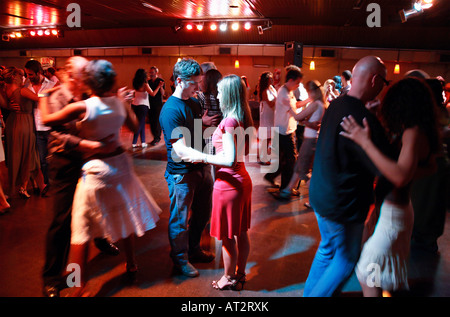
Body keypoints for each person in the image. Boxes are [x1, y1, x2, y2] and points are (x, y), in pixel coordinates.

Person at [40, 59, 161, 296]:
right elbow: (134, 125)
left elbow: (50, 120)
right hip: (100, 164)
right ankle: (130, 263)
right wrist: (119, 105)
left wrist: (44, 98)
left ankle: (80, 285)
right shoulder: (111, 102)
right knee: (112, 214)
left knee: (81, 227)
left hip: (95, 169)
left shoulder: (85, 103)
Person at [340, 77, 440, 296]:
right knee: (376, 272)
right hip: (394, 211)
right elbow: (430, 166)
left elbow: (399, 176)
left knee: (368, 272)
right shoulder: (419, 130)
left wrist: (363, 141)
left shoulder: (413, 132)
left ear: (402, 103)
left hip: (395, 216)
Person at [303, 56, 393, 297]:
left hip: (322, 195)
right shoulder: (364, 120)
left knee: (328, 249)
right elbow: (388, 165)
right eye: (383, 82)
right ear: (375, 80)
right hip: (343, 204)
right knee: (346, 259)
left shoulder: (338, 104)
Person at [39, 56, 123, 297]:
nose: (88, 75)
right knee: (62, 220)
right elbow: (57, 135)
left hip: (87, 160)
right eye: (84, 72)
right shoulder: (56, 97)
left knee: (96, 204)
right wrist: (89, 143)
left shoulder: (87, 97)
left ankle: (100, 239)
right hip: (64, 163)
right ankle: (52, 277)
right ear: (71, 76)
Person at [179, 74, 253, 290]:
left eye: (220, 92)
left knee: (228, 237)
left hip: (229, 185)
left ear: (229, 95)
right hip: (242, 181)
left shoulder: (229, 121)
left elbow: (229, 160)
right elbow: (241, 153)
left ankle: (228, 278)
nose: (217, 96)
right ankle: (239, 274)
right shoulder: (241, 117)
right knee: (241, 232)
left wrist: (199, 155)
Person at [159, 58, 215, 278]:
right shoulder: (170, 110)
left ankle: (193, 250)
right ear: (179, 81)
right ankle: (180, 260)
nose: (197, 87)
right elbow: (180, 150)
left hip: (201, 169)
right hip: (181, 174)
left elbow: (197, 131)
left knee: (202, 213)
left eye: (199, 82)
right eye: (194, 83)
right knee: (179, 219)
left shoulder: (193, 103)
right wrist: (212, 158)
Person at [278, 80, 325, 199]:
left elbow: (299, 116)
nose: (308, 94)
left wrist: (289, 108)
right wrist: (306, 122)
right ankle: (288, 190)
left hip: (310, 140)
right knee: (300, 167)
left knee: (303, 171)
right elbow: (311, 122)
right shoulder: (321, 104)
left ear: (313, 91)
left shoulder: (315, 104)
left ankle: (319, 195)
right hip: (314, 139)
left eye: (309, 92)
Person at [0, 67, 41, 199]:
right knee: (27, 154)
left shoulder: (4, 90)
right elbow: (39, 99)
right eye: (20, 75)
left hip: (12, 123)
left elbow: (5, 105)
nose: (23, 78)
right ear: (14, 77)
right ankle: (23, 187)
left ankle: (14, 186)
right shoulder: (23, 90)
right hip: (24, 123)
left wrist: (10, 107)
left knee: (15, 155)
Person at [263, 65, 303, 190]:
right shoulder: (284, 93)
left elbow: (295, 105)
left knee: (283, 160)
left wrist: (309, 100)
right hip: (284, 132)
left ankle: (272, 177)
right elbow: (296, 115)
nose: (298, 85)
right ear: (291, 80)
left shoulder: (287, 91)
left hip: (285, 130)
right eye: (297, 83)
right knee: (290, 160)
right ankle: (285, 188)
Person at [24, 59, 56, 195]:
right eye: (27, 74)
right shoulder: (26, 85)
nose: (28, 77)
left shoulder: (52, 84)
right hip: (35, 128)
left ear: (39, 72)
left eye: (31, 74)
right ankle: (48, 185)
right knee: (42, 160)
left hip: (50, 127)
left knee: (53, 158)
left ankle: (57, 184)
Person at [131, 68, 163, 148]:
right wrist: (159, 86)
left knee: (141, 124)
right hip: (143, 105)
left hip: (135, 104)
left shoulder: (135, 83)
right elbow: (153, 94)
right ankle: (134, 142)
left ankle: (143, 142)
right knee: (140, 124)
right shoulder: (145, 84)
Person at [197, 68, 223, 156]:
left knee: (209, 157)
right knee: (219, 157)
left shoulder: (203, 96)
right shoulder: (222, 96)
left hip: (207, 130)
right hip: (220, 130)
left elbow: (198, 114)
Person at [257, 71, 277, 164]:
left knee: (269, 137)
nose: (272, 79)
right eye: (270, 78)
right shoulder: (264, 90)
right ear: (267, 80)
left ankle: (265, 156)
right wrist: (277, 99)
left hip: (272, 114)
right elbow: (270, 103)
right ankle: (263, 158)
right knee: (266, 137)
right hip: (266, 113)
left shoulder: (272, 88)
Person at [147, 66, 165, 146]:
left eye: (152, 72)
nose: (151, 74)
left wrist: (160, 86)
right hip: (150, 104)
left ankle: (157, 138)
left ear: (156, 72)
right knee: (151, 121)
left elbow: (163, 93)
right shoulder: (148, 82)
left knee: (157, 122)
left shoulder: (160, 81)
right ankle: (154, 137)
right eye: (150, 72)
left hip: (158, 104)